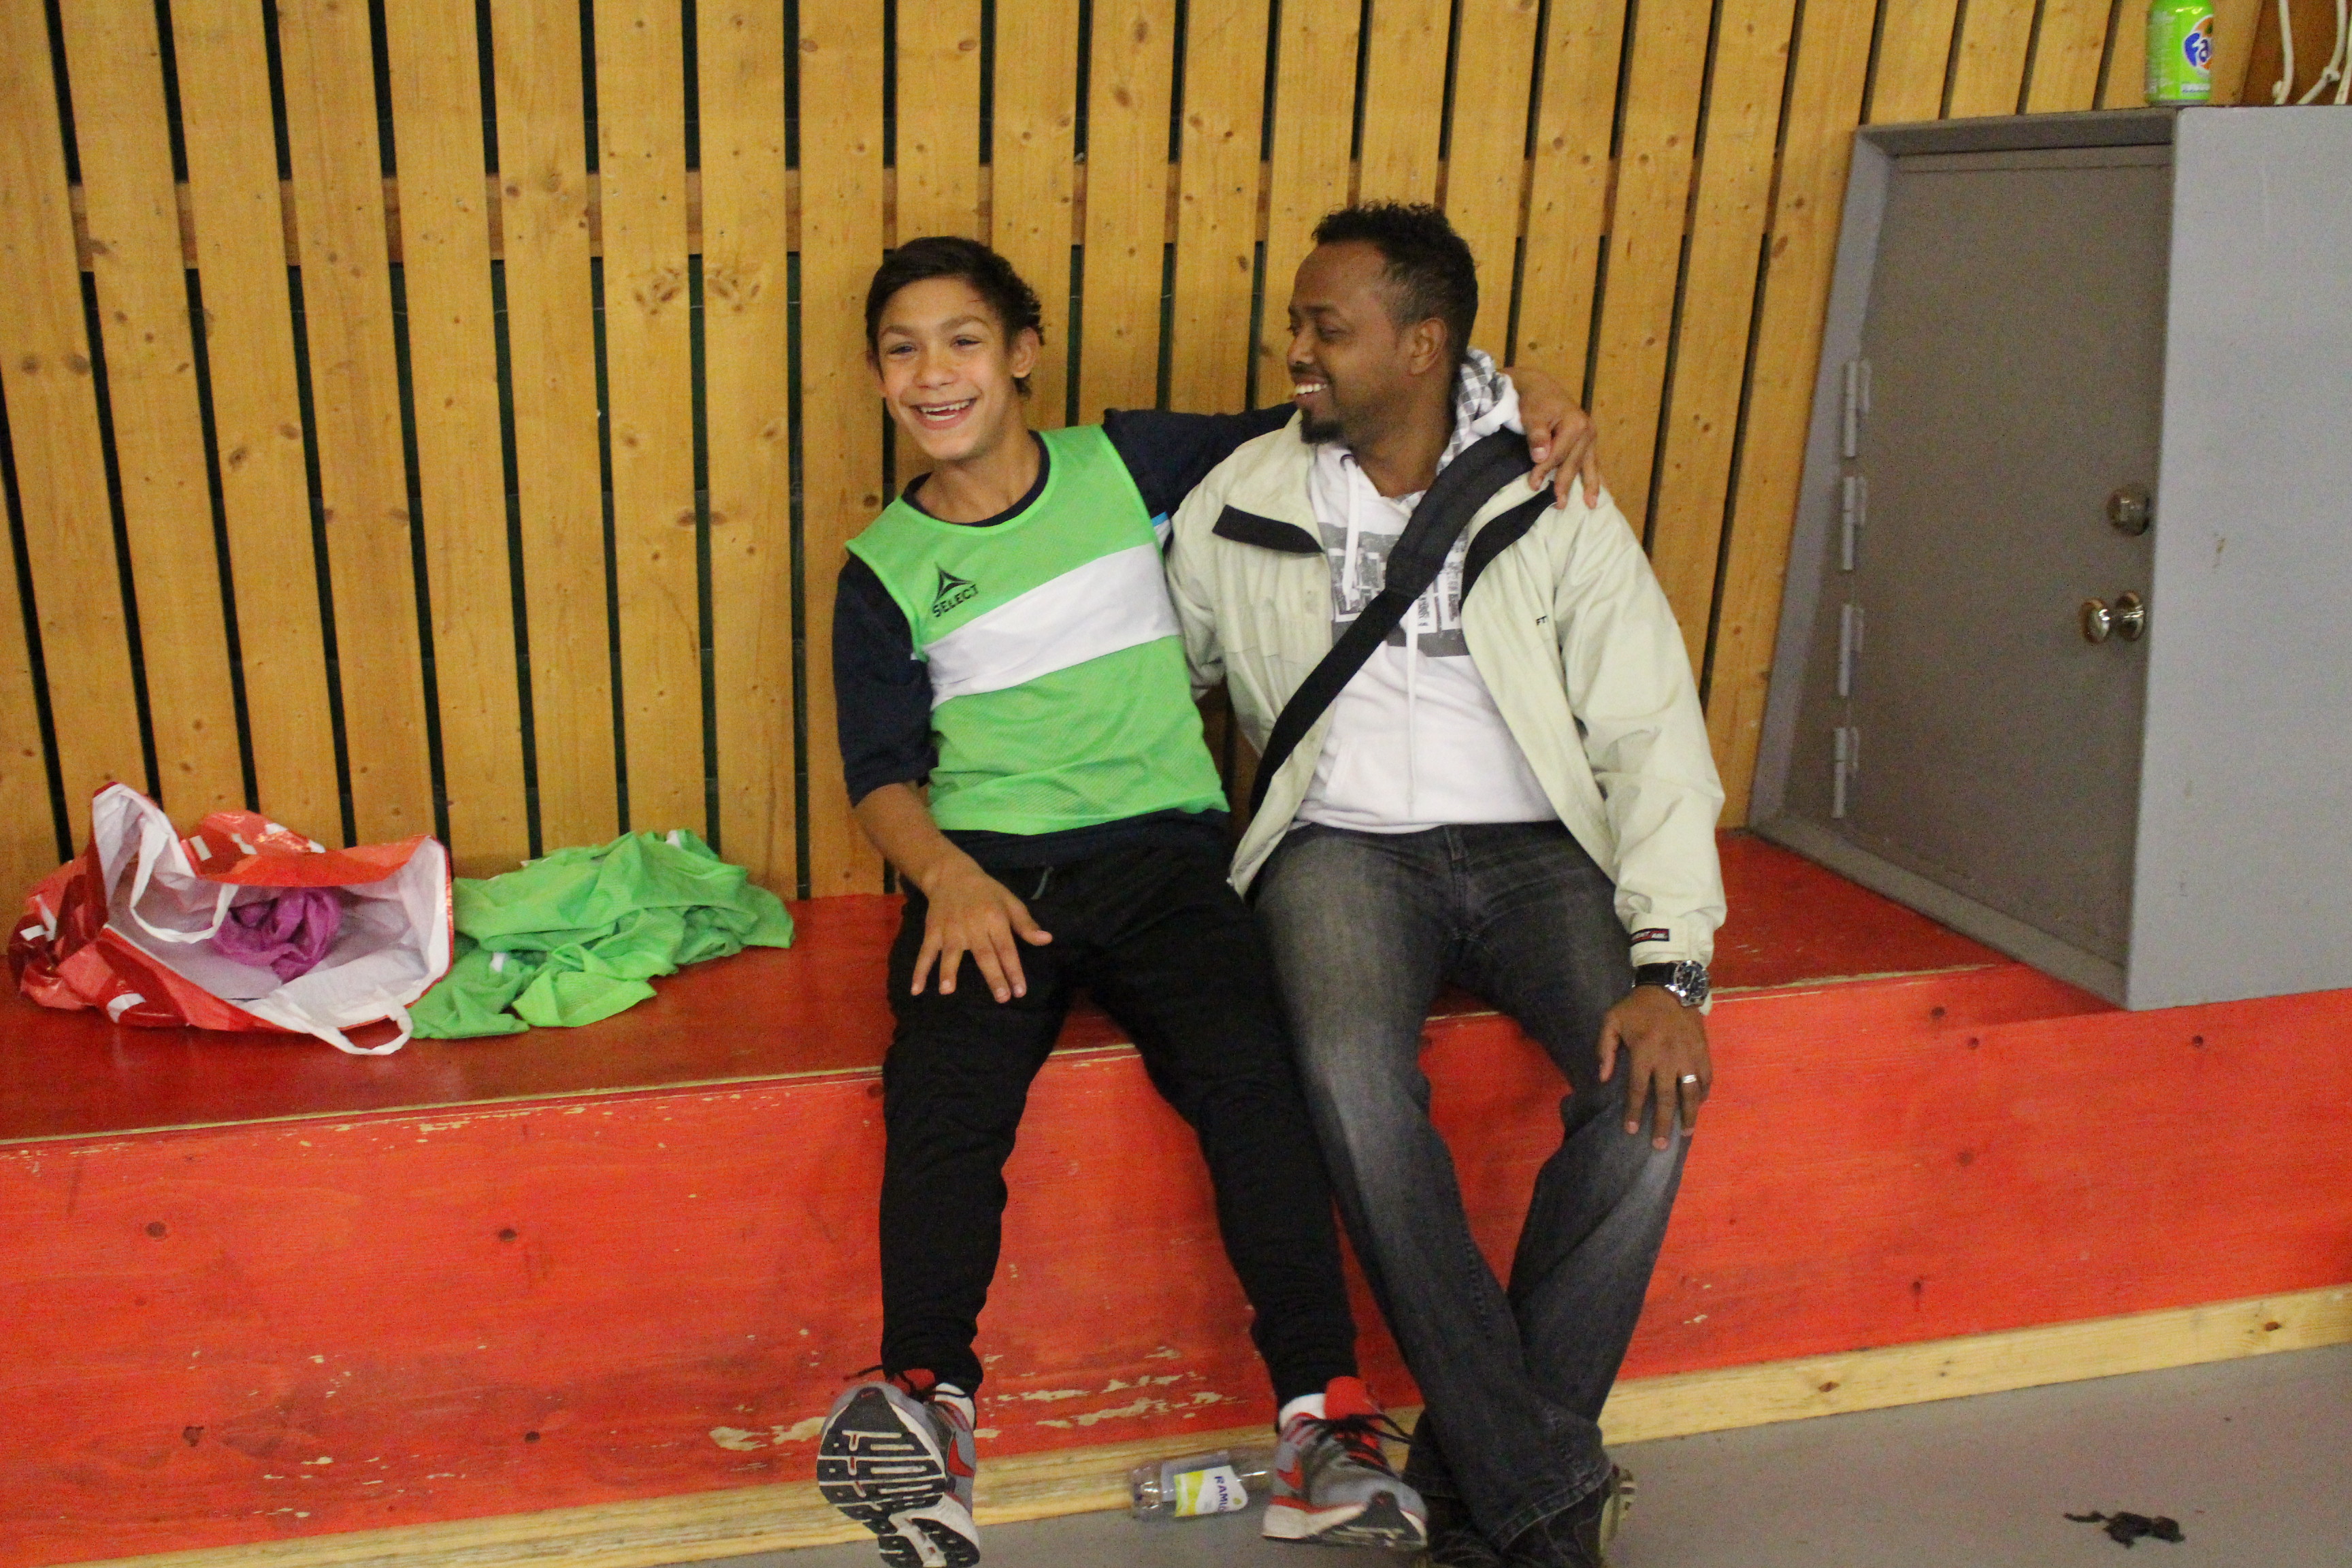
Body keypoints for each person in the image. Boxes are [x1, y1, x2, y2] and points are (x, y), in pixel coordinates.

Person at [813, 234, 1595, 1567]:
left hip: (1166, 865)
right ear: (880, 377)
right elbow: (880, 774)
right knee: (943, 1091)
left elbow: (1342, 402)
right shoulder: (881, 570)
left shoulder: (1131, 464)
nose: (932, 372)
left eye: (962, 340)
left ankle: (1323, 1423)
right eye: (902, 349)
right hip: (988, 877)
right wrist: (945, 877)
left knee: (1255, 1076)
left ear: (1022, 354)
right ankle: (929, 1415)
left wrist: (1522, 395)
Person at [1165, 203, 1727, 1568]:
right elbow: (1157, 699)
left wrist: (1672, 967)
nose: (1295, 351)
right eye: (1296, 324)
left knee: (1651, 1104)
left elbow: (1652, 730)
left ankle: (1489, 1478)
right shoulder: (1239, 497)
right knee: (1357, 1094)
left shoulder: (1550, 496)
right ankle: (1541, 1491)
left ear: (1423, 348)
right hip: (1339, 846)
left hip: (1539, 848)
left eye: (1327, 328)